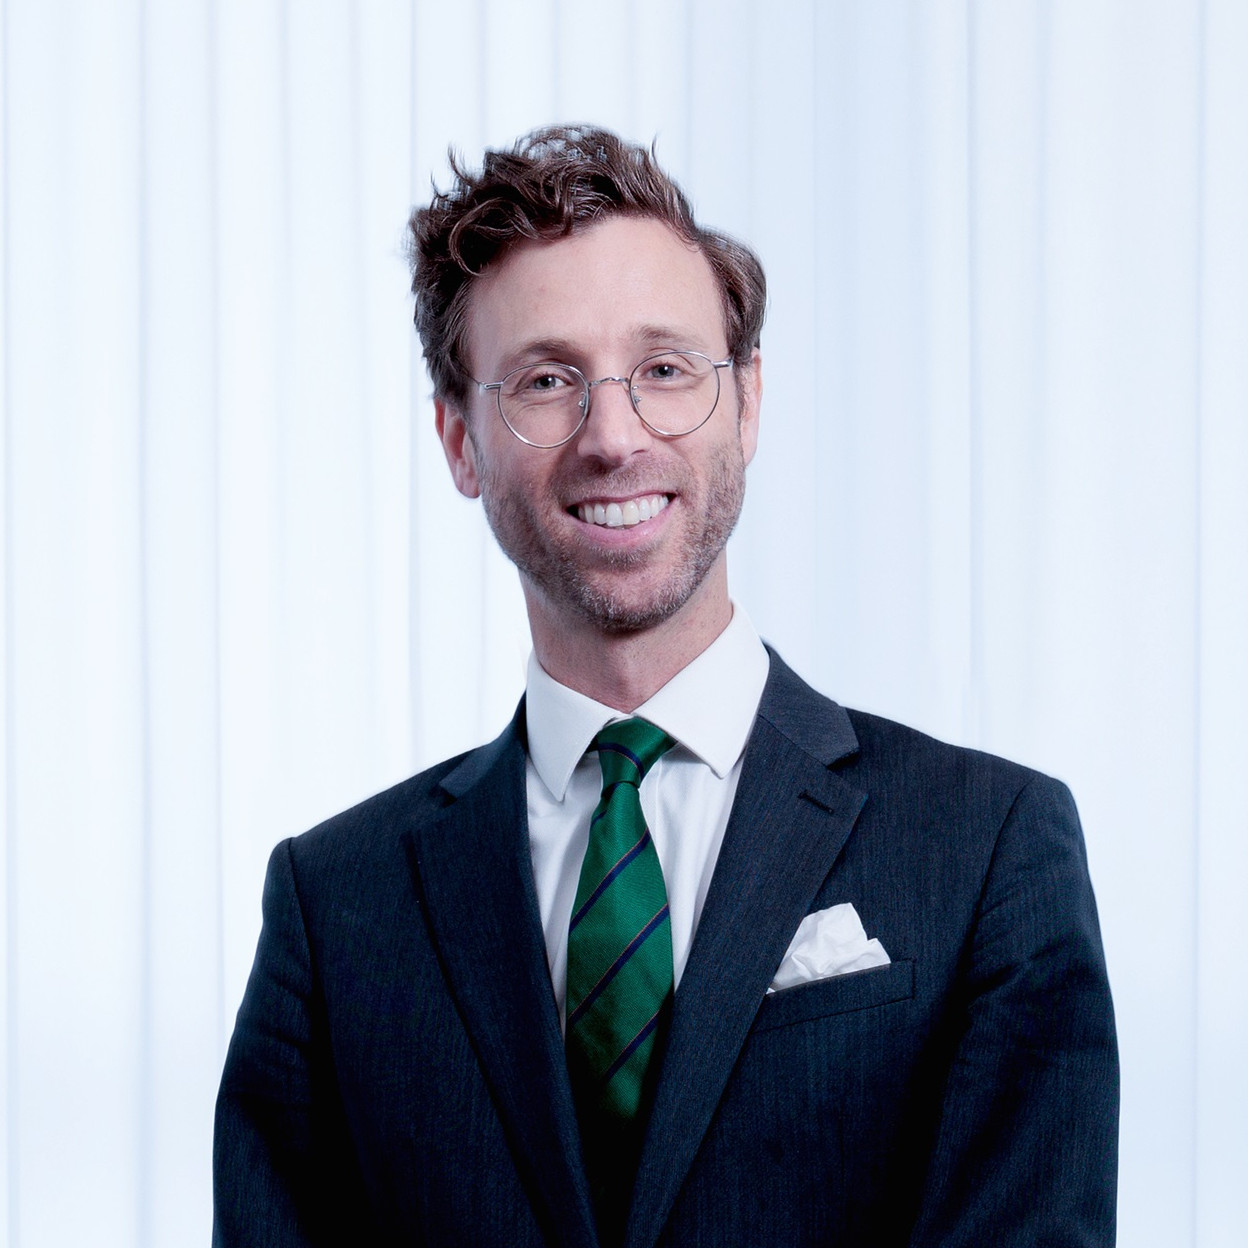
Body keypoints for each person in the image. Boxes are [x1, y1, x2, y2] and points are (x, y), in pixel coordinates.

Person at [213, 124, 1118, 1248]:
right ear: (459, 440)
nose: (614, 436)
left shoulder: (988, 849)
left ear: (748, 401)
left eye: (665, 370)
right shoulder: (334, 908)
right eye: (547, 381)